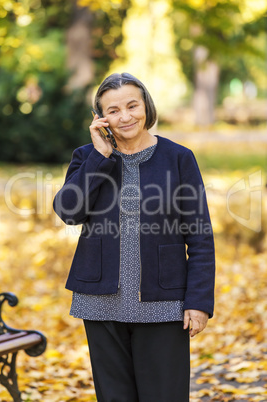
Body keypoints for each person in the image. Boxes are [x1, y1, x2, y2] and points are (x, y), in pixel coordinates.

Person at [53, 72, 215, 402]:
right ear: (100, 118)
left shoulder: (178, 158)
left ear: (146, 107)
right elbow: (69, 211)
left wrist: (198, 302)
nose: (125, 116)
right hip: (100, 303)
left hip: (164, 302)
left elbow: (199, 236)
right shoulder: (88, 157)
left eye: (132, 105)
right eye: (113, 110)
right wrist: (101, 157)